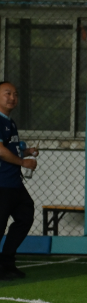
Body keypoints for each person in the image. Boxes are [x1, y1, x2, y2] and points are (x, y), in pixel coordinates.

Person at [0, 81, 36, 280]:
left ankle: (7, 262)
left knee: (25, 216)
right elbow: (0, 151)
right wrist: (23, 162)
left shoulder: (10, 122)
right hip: (2, 184)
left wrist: (26, 152)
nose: (12, 98)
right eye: (7, 93)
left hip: (13, 183)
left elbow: (10, 148)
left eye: (15, 94)